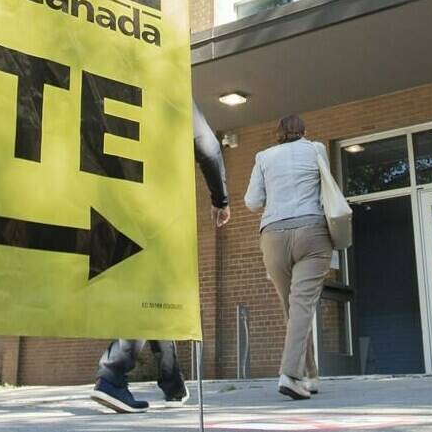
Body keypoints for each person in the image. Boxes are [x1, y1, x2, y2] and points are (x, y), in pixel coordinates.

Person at [89, 102, 231, 414]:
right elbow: (207, 146)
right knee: (152, 288)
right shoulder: (172, 88)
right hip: (155, 206)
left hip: (110, 202)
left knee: (158, 291)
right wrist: (220, 199)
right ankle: (112, 373)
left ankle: (173, 383)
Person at [245, 114, 331, 401]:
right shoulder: (317, 149)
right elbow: (327, 191)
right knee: (302, 305)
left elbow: (252, 202)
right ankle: (290, 375)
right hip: (312, 232)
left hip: (273, 236)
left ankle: (311, 374)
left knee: (293, 308)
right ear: (304, 131)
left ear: (278, 133)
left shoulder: (263, 157)